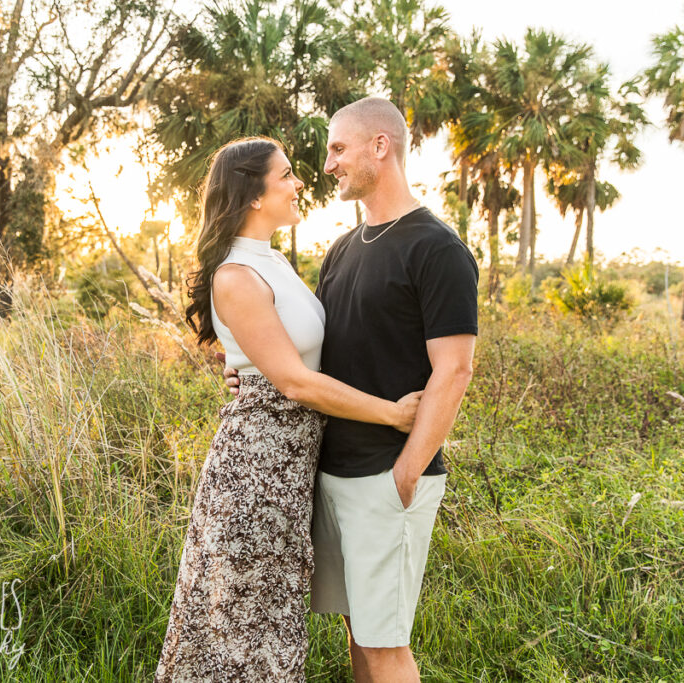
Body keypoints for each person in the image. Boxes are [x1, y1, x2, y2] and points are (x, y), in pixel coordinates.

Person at [225, 98, 479, 682]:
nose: (329, 163)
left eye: (339, 148)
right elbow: (314, 353)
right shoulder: (341, 249)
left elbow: (455, 370)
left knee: (385, 644)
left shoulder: (436, 248)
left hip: (386, 477)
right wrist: (246, 369)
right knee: (359, 635)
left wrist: (408, 471)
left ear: (380, 147)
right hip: (329, 472)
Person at [155, 136, 425, 683]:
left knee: (270, 627)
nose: (300, 182)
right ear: (253, 194)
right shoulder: (235, 274)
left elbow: (284, 355)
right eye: (286, 176)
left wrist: (242, 369)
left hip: (290, 470)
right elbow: (297, 382)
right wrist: (393, 415)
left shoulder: (271, 260)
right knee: (245, 634)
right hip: (255, 476)